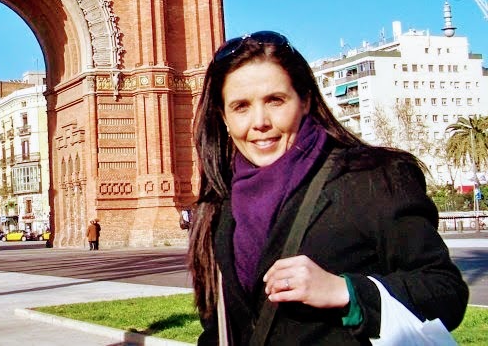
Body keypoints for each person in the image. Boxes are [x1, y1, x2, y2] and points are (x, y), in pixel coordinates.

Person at [188, 30, 468, 345]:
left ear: (305, 100)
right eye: (241, 106)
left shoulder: (373, 177)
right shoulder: (218, 204)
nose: (260, 121)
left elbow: (446, 292)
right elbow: (219, 329)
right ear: (223, 118)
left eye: (275, 100)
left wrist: (345, 291)